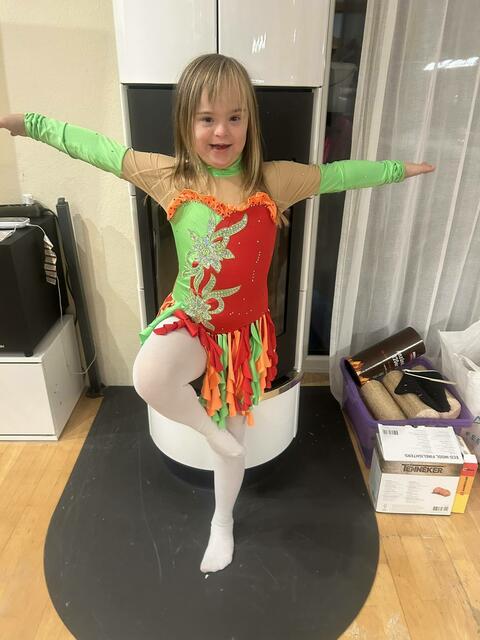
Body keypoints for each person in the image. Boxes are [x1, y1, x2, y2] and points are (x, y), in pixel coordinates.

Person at [0, 54, 435, 573]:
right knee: (150, 378)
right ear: (187, 123)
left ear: (249, 122)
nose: (221, 131)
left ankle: (221, 521)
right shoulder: (169, 176)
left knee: (236, 442)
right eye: (207, 118)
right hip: (192, 319)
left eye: (234, 117)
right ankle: (212, 437)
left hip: (244, 338)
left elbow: (339, 174)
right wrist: (27, 123)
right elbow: (96, 148)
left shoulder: (274, 181)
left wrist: (398, 171)